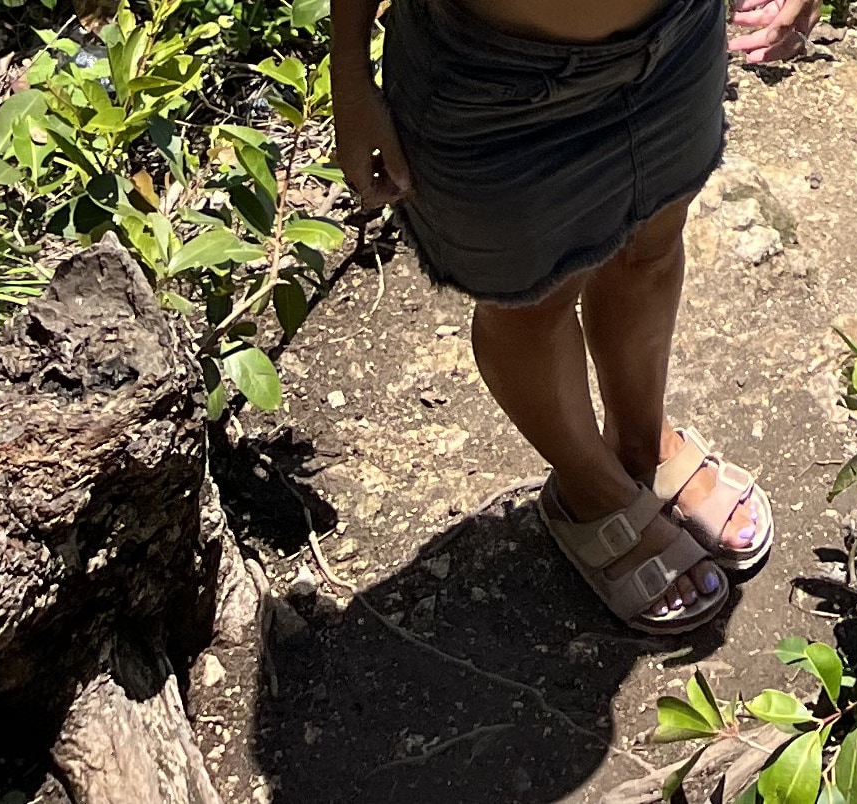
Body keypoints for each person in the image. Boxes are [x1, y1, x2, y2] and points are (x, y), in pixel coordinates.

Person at [328, 0, 817, 634]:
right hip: (493, 75)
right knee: (531, 299)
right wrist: (349, 70)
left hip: (679, 34)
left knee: (654, 242)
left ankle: (641, 448)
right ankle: (591, 491)